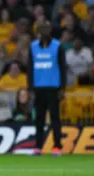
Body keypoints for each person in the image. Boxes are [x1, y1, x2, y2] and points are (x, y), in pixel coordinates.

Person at [28, 21, 66, 156]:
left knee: (55, 118)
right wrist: (30, 88)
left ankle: (57, 146)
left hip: (53, 88)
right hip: (38, 88)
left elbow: (62, 68)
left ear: (50, 30)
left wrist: (62, 88)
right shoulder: (33, 47)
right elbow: (30, 69)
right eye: (41, 30)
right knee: (39, 119)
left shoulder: (57, 46)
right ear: (38, 31)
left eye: (46, 29)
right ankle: (38, 147)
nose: (44, 32)